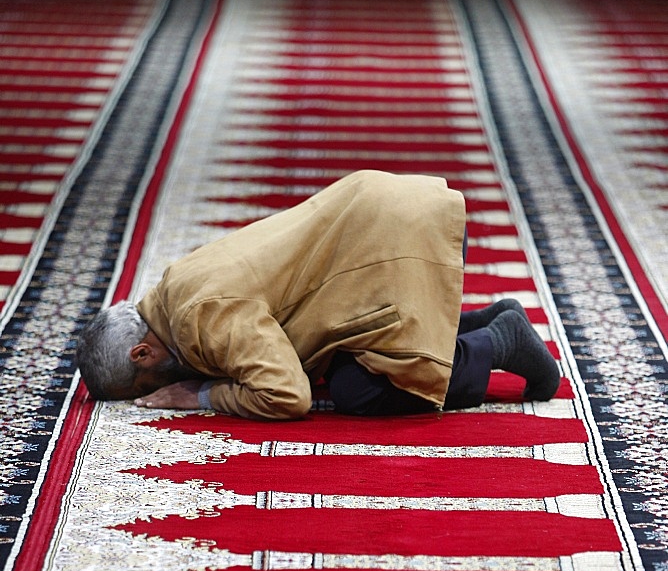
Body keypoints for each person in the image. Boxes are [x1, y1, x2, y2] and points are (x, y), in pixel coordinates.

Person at [77, 170, 559, 419]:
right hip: (379, 225)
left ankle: (500, 344)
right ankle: (489, 320)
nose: (160, 390)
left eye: (147, 386)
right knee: (348, 369)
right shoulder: (174, 286)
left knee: (363, 390)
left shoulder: (201, 317)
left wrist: (200, 394)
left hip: (397, 239)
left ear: (142, 352)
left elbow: (287, 396)